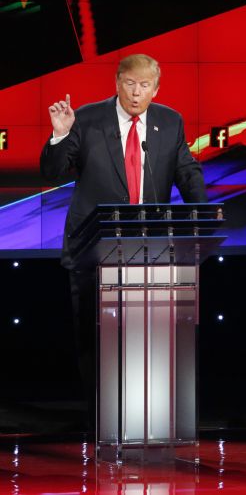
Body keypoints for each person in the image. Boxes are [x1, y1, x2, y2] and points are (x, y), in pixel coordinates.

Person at [40, 53, 207, 429]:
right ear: (117, 82)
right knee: (95, 340)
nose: (136, 93)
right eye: (130, 84)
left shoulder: (169, 120)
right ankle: (102, 421)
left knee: (149, 337)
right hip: (92, 250)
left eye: (144, 86)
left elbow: (186, 170)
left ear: (156, 89)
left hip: (151, 251)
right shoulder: (85, 118)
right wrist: (60, 134)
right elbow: (52, 171)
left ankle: (150, 419)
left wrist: (202, 214)